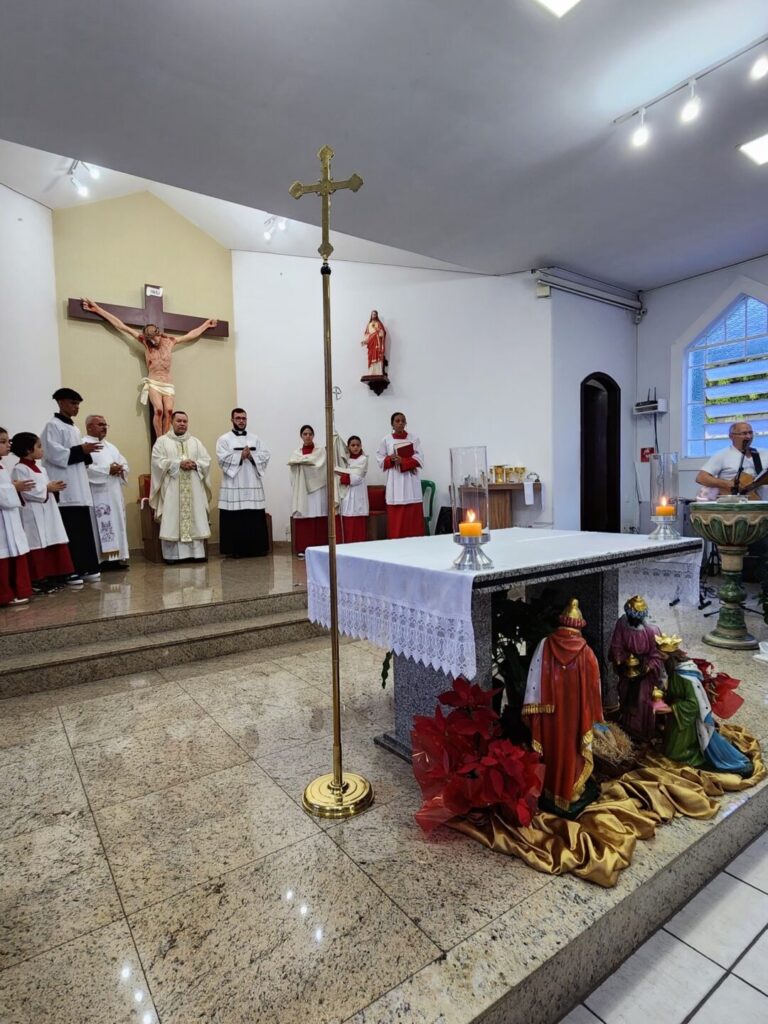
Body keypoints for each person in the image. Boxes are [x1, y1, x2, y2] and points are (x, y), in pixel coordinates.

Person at [81, 298, 218, 437]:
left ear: (158, 333)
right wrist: (98, 309)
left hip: (167, 383)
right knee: (159, 410)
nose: (153, 341)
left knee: (169, 411)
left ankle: (166, 438)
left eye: (154, 338)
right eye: (150, 339)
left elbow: (190, 335)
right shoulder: (146, 343)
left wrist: (206, 325)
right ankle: (160, 439)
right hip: (154, 382)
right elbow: (122, 326)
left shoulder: (170, 341)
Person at [522, 598, 605, 815]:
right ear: (579, 626)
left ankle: (551, 789)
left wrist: (532, 711)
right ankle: (571, 791)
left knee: (552, 749)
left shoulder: (544, 645)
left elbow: (533, 681)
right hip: (576, 718)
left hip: (550, 715)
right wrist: (594, 717)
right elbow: (594, 690)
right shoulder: (587, 654)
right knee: (573, 751)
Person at [695, 420, 768, 594]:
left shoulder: (763, 454)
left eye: (750, 432)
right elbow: (701, 477)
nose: (748, 436)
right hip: (735, 514)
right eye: (743, 433)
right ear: (731, 436)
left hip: (760, 509)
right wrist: (729, 484)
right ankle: (736, 589)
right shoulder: (723, 455)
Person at [40, 388, 101, 584]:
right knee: (71, 530)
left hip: (80, 488)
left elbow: (77, 456)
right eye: (73, 403)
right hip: (65, 489)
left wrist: (85, 453)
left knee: (83, 530)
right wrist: (81, 450)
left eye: (78, 404)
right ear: (60, 402)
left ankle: (88, 566)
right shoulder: (53, 426)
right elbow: (53, 454)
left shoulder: (74, 429)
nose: (76, 408)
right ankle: (72, 569)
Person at [10, 432, 74, 593]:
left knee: (52, 540)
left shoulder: (40, 468)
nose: (42, 449)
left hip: (48, 509)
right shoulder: (20, 469)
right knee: (38, 543)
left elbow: (43, 485)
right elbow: (27, 491)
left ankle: (53, 574)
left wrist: (52, 486)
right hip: (33, 512)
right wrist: (47, 488)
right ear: (27, 450)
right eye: (38, 446)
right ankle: (38, 579)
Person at [149, 411, 212, 563]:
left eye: (185, 421)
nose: (182, 424)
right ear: (171, 421)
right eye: (179, 421)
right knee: (173, 518)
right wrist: (178, 464)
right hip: (172, 488)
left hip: (194, 488)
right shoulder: (162, 441)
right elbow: (157, 461)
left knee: (195, 517)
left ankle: (196, 554)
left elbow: (206, 460)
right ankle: (172, 556)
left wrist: (196, 464)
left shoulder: (195, 442)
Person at [609, 595, 666, 742]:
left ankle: (640, 732)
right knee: (623, 691)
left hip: (644, 669)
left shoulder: (652, 630)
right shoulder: (622, 623)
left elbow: (656, 655)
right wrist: (620, 660)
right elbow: (617, 644)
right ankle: (626, 728)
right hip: (627, 665)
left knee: (641, 699)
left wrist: (646, 668)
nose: (633, 622)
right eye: (630, 618)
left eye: (636, 620)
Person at [216, 408, 271, 558]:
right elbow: (221, 459)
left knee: (253, 516)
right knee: (235, 517)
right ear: (232, 420)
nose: (241, 421)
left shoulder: (255, 439)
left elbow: (265, 455)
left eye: (244, 418)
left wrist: (252, 456)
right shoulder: (224, 439)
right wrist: (240, 456)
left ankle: (257, 548)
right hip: (234, 483)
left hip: (252, 481)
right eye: (238, 418)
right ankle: (235, 550)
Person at [82, 414, 130, 568]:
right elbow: (85, 470)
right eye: (100, 424)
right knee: (101, 525)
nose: (104, 427)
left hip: (114, 493)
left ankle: (116, 558)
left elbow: (124, 463)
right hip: (97, 493)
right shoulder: (83, 445)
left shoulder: (110, 446)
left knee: (116, 523)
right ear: (89, 427)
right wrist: (108, 469)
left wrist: (121, 468)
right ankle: (101, 560)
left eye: (105, 425)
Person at [376, 411, 424, 539]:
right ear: (392, 424)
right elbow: (380, 459)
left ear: (406, 423)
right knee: (397, 518)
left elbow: (420, 458)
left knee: (412, 516)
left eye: (403, 421)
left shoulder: (413, 438)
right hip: (395, 479)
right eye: (397, 421)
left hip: (411, 480)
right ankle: (396, 541)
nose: (400, 423)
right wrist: (390, 459)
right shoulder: (386, 440)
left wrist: (403, 461)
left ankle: (415, 541)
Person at [0, 427, 33, 605]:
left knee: (13, 553)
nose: (8, 445)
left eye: (8, 441)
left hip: (8, 517)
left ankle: (16, 591)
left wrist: (12, 486)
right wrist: (14, 488)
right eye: (3, 442)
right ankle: (5, 595)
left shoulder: (2, 466)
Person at [289, 425, 328, 558]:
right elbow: (293, 469)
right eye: (305, 434)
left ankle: (320, 547)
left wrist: (303, 464)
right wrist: (302, 464)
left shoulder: (320, 451)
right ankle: (303, 548)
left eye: (310, 434)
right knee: (304, 514)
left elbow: (321, 466)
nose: (308, 436)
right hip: (302, 489)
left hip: (317, 489)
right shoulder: (296, 453)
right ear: (301, 436)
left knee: (318, 514)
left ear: (313, 435)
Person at [336, 434, 369, 543]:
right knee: (347, 523)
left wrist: (343, 476)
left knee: (358, 524)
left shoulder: (363, 459)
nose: (355, 447)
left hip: (358, 493)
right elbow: (338, 473)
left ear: (361, 446)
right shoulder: (345, 460)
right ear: (348, 447)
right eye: (353, 445)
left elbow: (356, 477)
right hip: (346, 494)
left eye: (357, 445)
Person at [361, 310, 387, 376]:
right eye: (372, 314)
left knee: (377, 356)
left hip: (377, 342)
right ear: (371, 315)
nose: (373, 315)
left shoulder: (379, 324)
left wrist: (378, 331)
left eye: (375, 314)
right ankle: (371, 372)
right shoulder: (369, 325)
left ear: (376, 315)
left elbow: (383, 333)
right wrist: (364, 340)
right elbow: (367, 334)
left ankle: (378, 372)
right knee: (371, 355)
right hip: (371, 343)